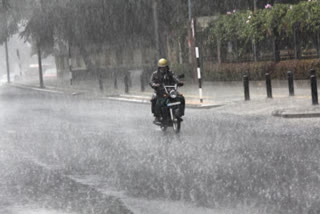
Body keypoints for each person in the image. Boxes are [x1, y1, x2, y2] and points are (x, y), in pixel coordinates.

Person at [149, 58, 185, 124]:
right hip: (160, 91)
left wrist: (179, 82)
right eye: (161, 67)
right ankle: (157, 117)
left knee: (181, 97)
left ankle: (179, 113)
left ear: (167, 67)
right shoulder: (155, 74)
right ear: (159, 67)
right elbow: (151, 81)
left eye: (164, 67)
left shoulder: (170, 73)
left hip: (171, 90)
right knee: (155, 99)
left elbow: (175, 77)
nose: (163, 69)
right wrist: (154, 84)